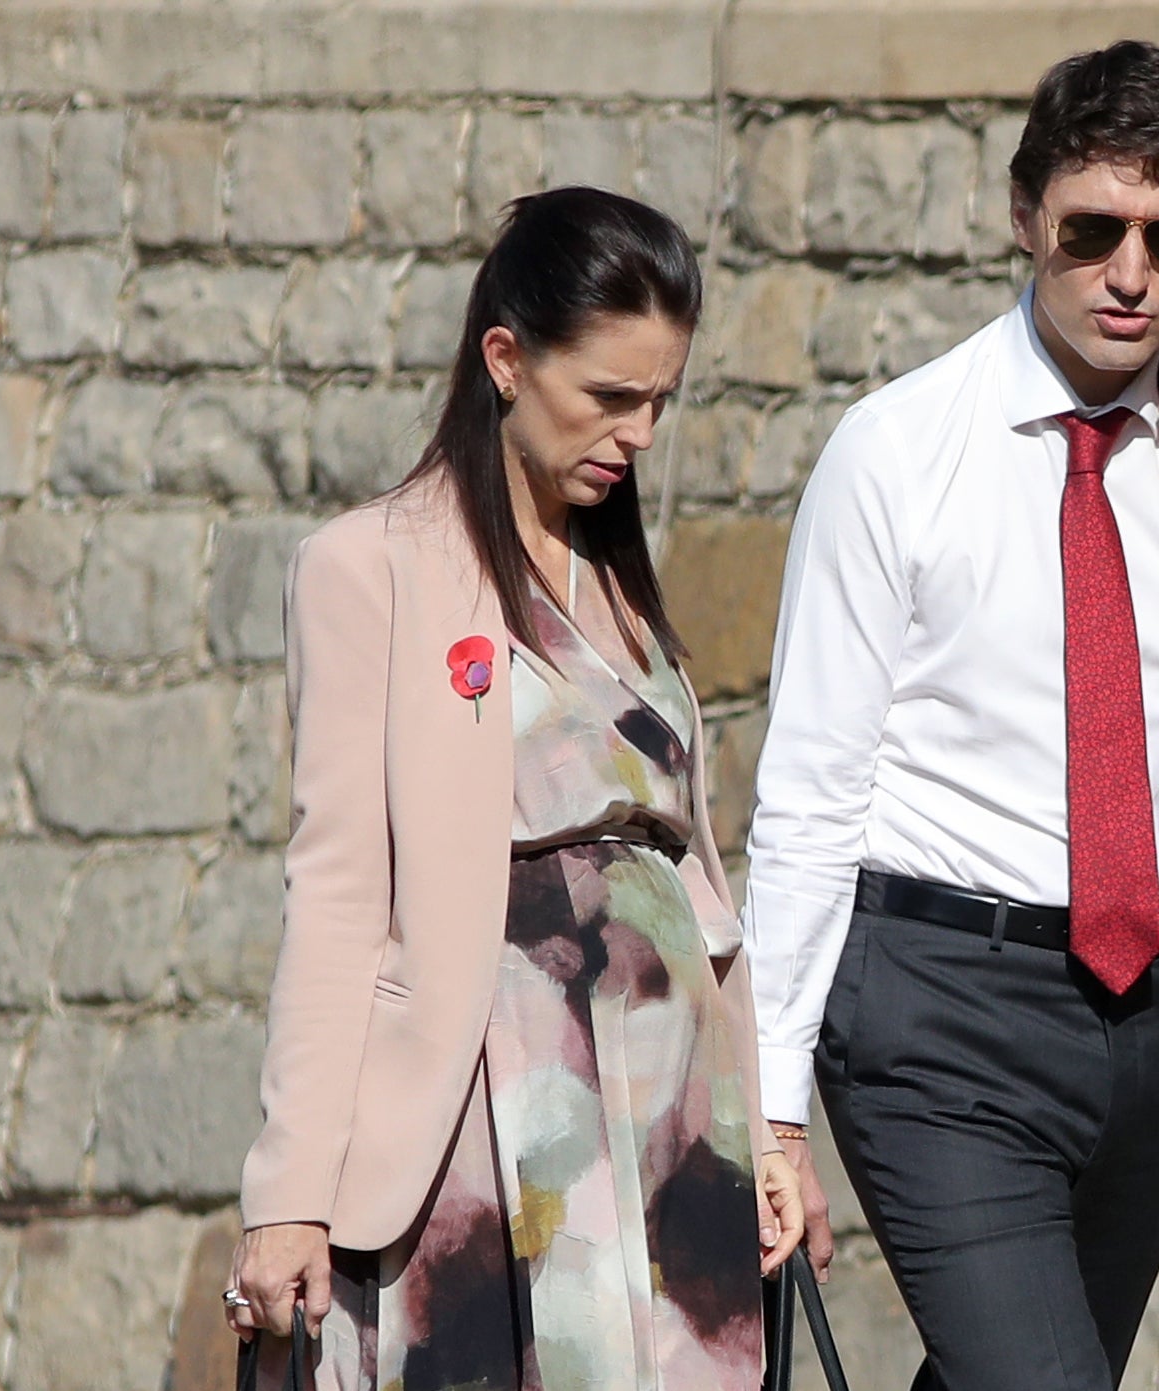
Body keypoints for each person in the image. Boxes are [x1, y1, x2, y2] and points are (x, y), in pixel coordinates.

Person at [741, 41, 1159, 1391]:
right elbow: (811, 793)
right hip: (936, 1009)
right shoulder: (898, 450)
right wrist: (762, 1104)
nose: (1129, 274)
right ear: (1022, 216)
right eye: (1091, 229)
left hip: (1158, 1009)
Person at [223, 186, 803, 1391]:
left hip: (676, 1114)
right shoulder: (369, 567)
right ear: (506, 358)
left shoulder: (622, 583)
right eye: (608, 394)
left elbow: (695, 877)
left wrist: (769, 1129)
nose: (638, 432)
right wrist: (287, 1194)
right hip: (492, 1118)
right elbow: (337, 893)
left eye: (659, 399)